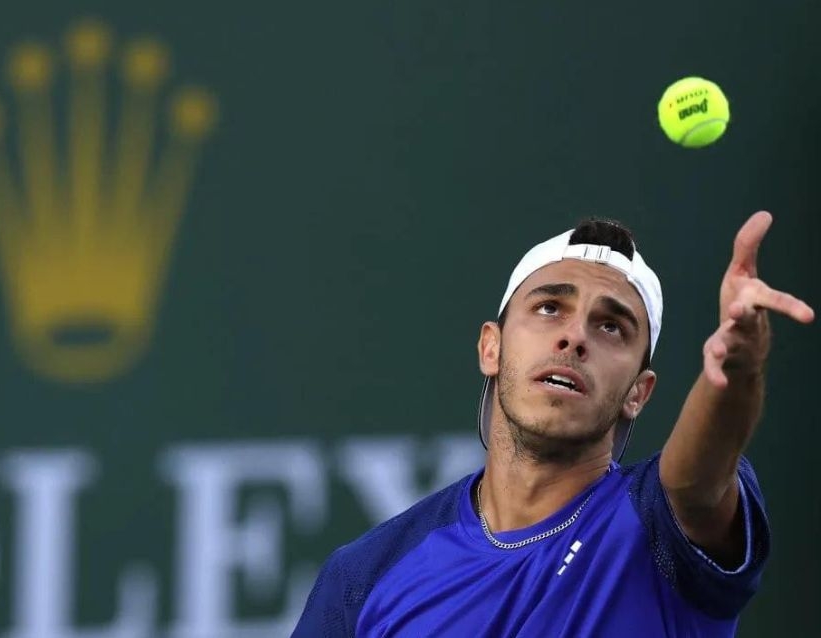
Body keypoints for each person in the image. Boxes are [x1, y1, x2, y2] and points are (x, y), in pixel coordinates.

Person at [291, 213, 814, 637]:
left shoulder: (659, 527)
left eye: (611, 326)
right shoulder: (366, 575)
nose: (575, 337)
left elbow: (699, 481)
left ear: (639, 392)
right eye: (548, 308)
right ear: (491, 347)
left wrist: (738, 368)